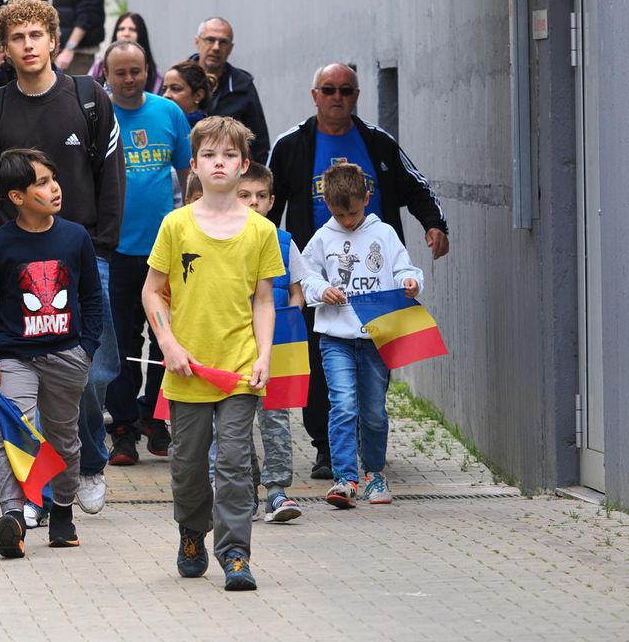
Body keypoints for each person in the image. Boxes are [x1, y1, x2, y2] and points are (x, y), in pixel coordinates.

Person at [0, 0, 124, 515]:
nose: (28, 45)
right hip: (15, 270)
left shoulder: (89, 99)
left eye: (36, 35)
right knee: (23, 385)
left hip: (84, 258)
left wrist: (100, 253)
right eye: (17, 38)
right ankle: (37, 491)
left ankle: (89, 464)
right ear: (2, 48)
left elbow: (111, 181)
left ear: (53, 40)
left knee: (89, 375)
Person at [267, 63, 449, 480]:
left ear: (357, 95)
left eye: (346, 90)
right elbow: (266, 203)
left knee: (371, 367)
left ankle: (368, 446)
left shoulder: (376, 142)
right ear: (314, 95)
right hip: (320, 282)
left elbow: (416, 186)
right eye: (328, 89)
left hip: (377, 287)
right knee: (320, 364)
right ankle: (327, 449)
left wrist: (435, 225)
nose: (337, 97)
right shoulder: (293, 145)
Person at [140, 115, 283, 592]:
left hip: (240, 368)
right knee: (187, 466)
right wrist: (169, 343)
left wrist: (264, 355)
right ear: (194, 165)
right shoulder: (175, 225)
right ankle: (190, 532)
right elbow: (152, 292)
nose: (218, 163)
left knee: (236, 463)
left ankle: (236, 553)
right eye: (209, 155)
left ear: (244, 166)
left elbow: (263, 299)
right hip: (187, 368)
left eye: (228, 156)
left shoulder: (260, 231)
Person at [0, 148, 102, 558]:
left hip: (67, 355)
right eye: (42, 183)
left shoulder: (75, 236)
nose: (54, 188)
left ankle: (61, 508)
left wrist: (87, 349)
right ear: (16, 197)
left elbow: (92, 298)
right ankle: (13, 516)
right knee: (13, 434)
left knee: (64, 440)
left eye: (53, 179)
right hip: (15, 357)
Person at [299, 163, 425, 508]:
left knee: (373, 411)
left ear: (366, 198)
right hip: (335, 338)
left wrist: (411, 283)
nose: (349, 220)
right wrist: (322, 289)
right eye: (340, 214)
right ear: (327, 205)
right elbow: (305, 275)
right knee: (341, 405)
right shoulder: (323, 237)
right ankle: (344, 477)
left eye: (353, 212)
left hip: (376, 337)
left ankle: (374, 473)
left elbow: (405, 269)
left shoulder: (383, 234)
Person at [100, 41, 190, 466]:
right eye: (121, 72)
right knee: (119, 343)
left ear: (147, 71)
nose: (129, 78)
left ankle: (156, 419)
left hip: (166, 254)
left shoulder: (169, 113)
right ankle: (121, 429)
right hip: (115, 251)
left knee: (164, 339)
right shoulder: (97, 114)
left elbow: (190, 175)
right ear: (108, 74)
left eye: (136, 70)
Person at [235, 164, 305, 524]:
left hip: (273, 349)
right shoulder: (223, 240)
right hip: (232, 350)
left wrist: (288, 326)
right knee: (236, 422)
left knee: (275, 419)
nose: (254, 203)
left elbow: (297, 292)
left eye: (261, 197)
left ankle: (277, 491)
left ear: (272, 201)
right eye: (245, 196)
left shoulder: (283, 241)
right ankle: (244, 491)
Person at [189, 17, 269, 161]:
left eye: (223, 42)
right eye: (210, 40)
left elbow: (259, 145)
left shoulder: (242, 86)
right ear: (197, 42)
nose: (216, 47)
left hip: (232, 177)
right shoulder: (178, 81)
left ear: (231, 48)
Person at [88, 13, 161, 93]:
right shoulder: (99, 66)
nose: (126, 34)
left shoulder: (154, 73)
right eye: (121, 29)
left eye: (132, 29)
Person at [160, 60, 214, 128]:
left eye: (176, 89)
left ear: (198, 95)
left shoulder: (207, 133)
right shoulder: (159, 123)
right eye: (164, 89)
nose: (166, 95)